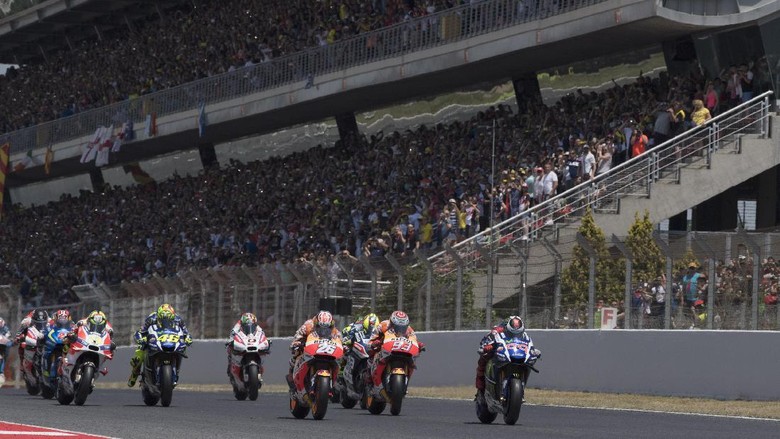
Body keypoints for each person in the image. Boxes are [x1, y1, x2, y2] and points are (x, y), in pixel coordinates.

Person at [475, 316, 541, 405]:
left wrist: (534, 352)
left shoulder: (525, 335)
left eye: (518, 333)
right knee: (484, 359)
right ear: (507, 328)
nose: (515, 335)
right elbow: (486, 339)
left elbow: (530, 346)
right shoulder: (497, 330)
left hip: (515, 353)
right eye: (512, 333)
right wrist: (486, 346)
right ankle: (481, 389)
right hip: (500, 350)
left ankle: (519, 392)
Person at [127, 304, 192, 387]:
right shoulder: (151, 319)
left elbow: (186, 333)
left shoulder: (178, 320)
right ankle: (134, 374)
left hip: (170, 341)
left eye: (168, 318)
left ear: (172, 316)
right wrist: (141, 339)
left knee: (182, 349)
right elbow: (140, 332)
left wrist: (188, 339)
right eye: (162, 318)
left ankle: (176, 372)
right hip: (154, 340)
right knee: (138, 356)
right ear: (158, 316)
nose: (165, 320)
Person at [367, 310, 424, 398]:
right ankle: (371, 380)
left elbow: (414, 340)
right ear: (392, 323)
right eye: (397, 327)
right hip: (384, 349)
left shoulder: (410, 330)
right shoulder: (382, 325)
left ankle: (405, 385)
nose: (400, 329)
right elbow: (371, 339)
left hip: (401, 350)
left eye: (403, 327)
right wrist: (375, 342)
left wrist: (419, 345)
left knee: (412, 362)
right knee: (371, 355)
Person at [286, 310, 340, 394]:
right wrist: (296, 342)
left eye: (328, 328)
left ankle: (333, 384)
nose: (323, 330)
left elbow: (340, 340)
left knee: (338, 360)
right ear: (315, 323)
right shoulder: (308, 325)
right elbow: (297, 336)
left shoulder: (334, 330)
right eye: (319, 327)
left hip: (325, 350)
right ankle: (292, 381)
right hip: (309, 348)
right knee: (297, 354)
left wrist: (343, 345)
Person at [226, 312, 267, 386]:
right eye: (247, 323)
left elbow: (262, 335)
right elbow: (232, 334)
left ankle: (258, 371)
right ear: (242, 322)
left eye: (252, 323)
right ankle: (230, 367)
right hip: (243, 345)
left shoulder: (258, 327)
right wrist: (230, 341)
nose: (250, 325)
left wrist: (266, 342)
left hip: (252, 345)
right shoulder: (237, 326)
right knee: (229, 349)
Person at [42, 309, 76, 378]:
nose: (63, 319)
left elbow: (77, 331)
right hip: (55, 342)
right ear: (56, 318)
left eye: (65, 317)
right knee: (47, 351)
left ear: (68, 318)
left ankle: (75, 372)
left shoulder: (73, 325)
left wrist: (75, 336)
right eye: (60, 317)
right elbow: (45, 330)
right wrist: (43, 334)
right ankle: (46, 370)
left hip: (67, 343)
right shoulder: (51, 323)